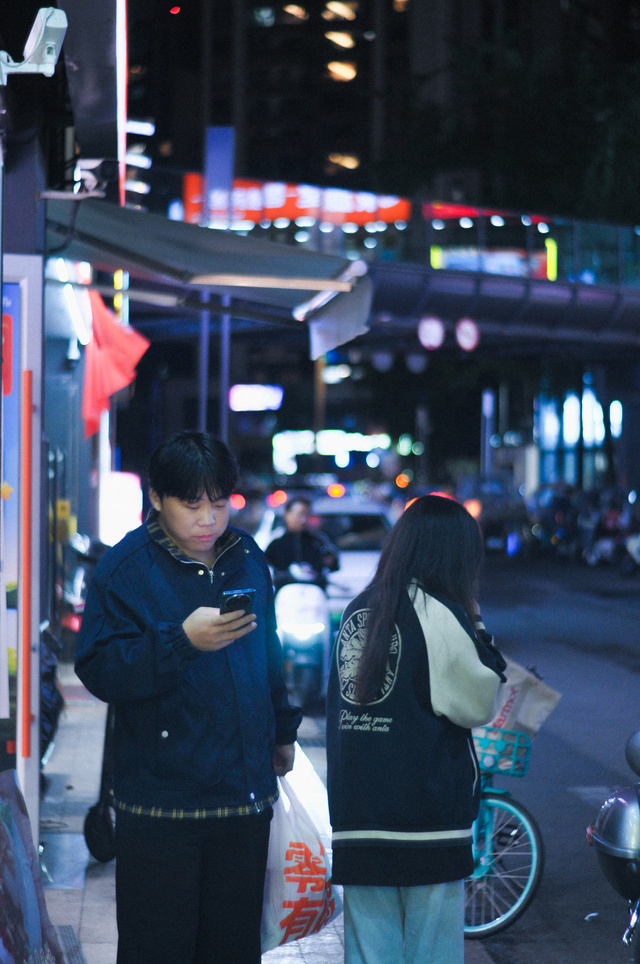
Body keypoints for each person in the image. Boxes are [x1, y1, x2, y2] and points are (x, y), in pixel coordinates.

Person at [75, 431, 302, 964]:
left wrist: (282, 730)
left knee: (233, 947)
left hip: (243, 798)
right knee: (158, 949)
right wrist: (181, 642)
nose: (209, 519)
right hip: (161, 805)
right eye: (192, 504)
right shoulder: (125, 568)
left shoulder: (247, 556)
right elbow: (100, 669)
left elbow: (268, 653)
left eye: (219, 503)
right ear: (157, 498)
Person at [325, 494, 506, 964]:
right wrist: (475, 622)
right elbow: (478, 702)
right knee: (432, 953)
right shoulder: (439, 614)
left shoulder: (359, 608)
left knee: (369, 953)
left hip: (358, 817)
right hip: (426, 821)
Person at [264, 496, 339, 590]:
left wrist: (329, 561)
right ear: (287, 515)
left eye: (307, 515)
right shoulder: (275, 539)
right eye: (299, 515)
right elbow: (264, 565)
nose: (303, 520)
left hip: (314, 590)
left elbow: (332, 564)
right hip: (285, 591)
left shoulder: (318, 539)